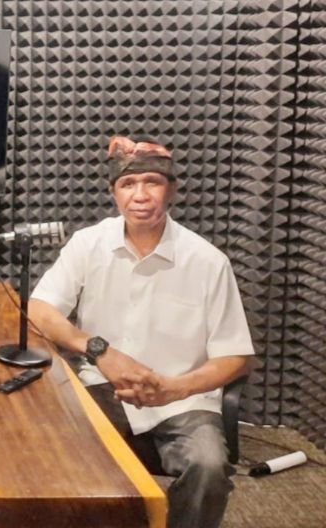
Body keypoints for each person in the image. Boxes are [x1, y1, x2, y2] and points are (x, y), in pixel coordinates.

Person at [29, 135, 255, 528]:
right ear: (113, 193)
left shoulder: (207, 261)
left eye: (152, 182)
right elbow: (39, 309)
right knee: (51, 453)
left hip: (184, 401)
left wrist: (175, 388)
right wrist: (100, 351)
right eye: (128, 184)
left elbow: (236, 356)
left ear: (172, 190)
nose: (140, 195)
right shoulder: (89, 244)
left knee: (208, 468)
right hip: (102, 388)